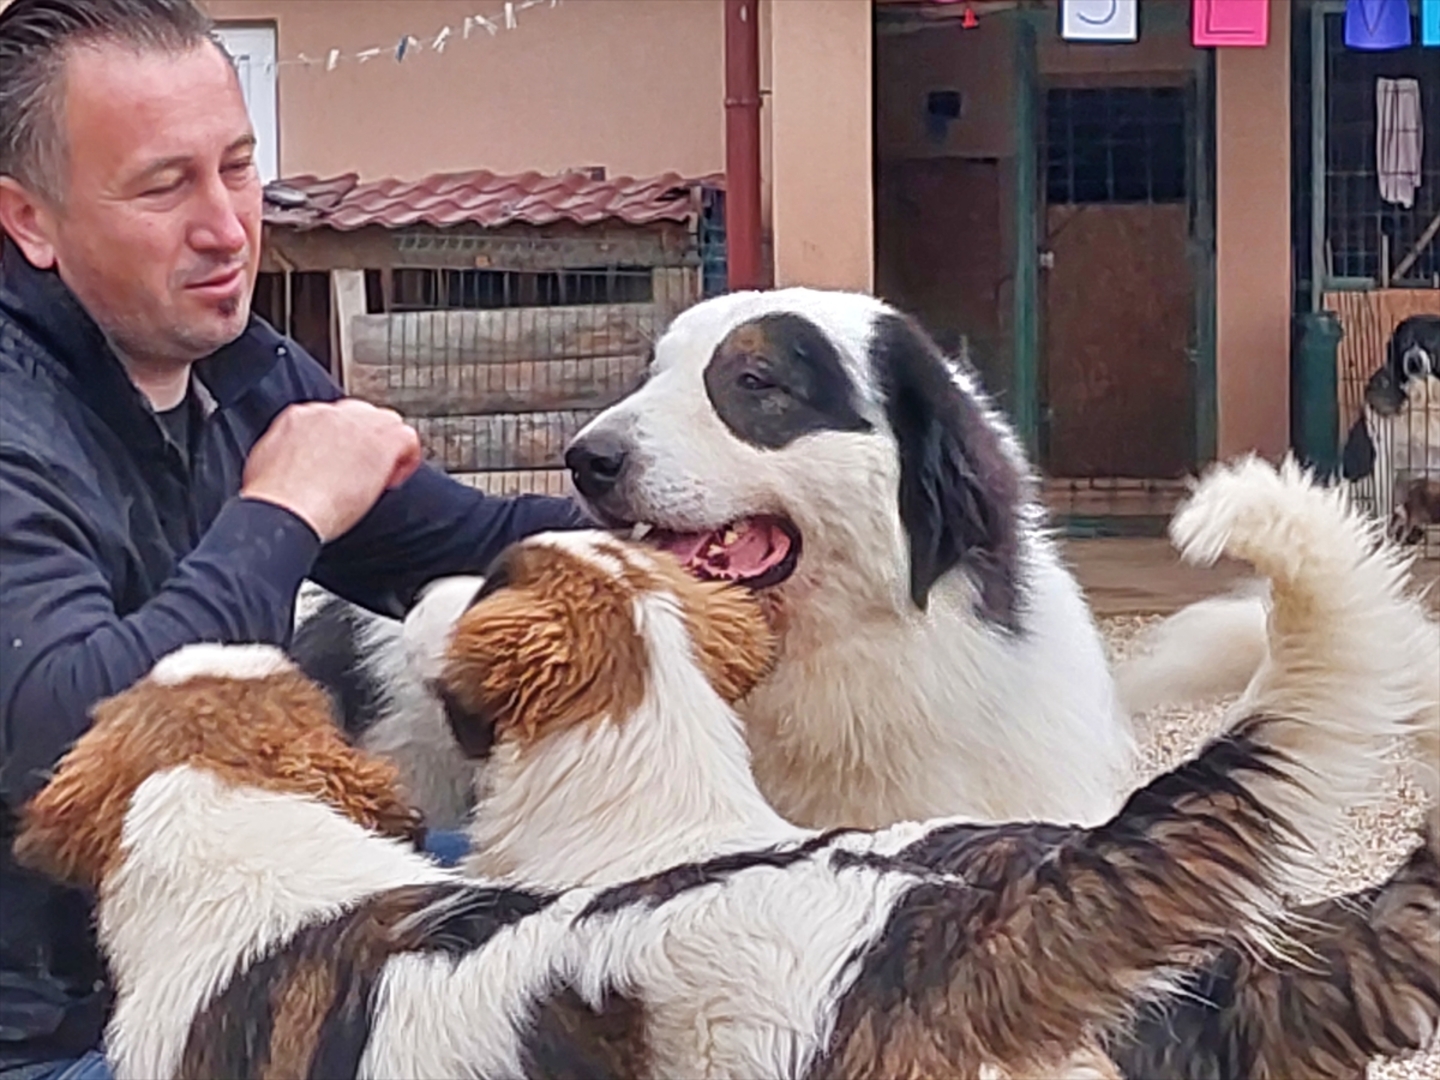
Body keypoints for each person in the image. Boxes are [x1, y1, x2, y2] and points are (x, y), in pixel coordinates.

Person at [0, 1, 593, 1076]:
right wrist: (283, 514)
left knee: (594, 935)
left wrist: (692, 525)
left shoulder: (239, 371)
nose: (227, 226)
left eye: (236, 166)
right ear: (29, 221)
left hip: (210, 949)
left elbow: (473, 546)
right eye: (162, 184)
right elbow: (57, 733)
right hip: (53, 1034)